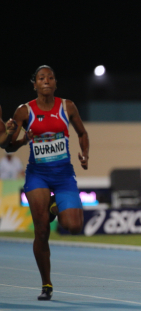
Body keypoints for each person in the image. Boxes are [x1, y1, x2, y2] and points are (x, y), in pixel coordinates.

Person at [6, 65, 89, 300]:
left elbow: (82, 133)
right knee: (41, 230)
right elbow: (7, 146)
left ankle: (54, 207)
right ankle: (47, 284)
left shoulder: (67, 106)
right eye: (41, 78)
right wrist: (22, 140)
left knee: (74, 226)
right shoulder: (24, 111)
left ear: (55, 83)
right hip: (37, 175)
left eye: (51, 77)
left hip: (63, 174)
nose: (46, 81)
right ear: (34, 84)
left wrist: (85, 154)